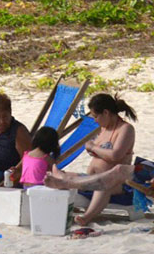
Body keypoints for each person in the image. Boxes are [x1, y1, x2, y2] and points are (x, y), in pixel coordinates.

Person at [58, 93, 137, 226]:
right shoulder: (103, 129)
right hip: (92, 177)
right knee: (61, 176)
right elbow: (101, 152)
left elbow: (115, 155)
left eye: (96, 116)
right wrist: (93, 149)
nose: (95, 120)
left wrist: (94, 148)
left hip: (116, 182)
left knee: (103, 185)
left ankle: (87, 217)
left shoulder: (125, 129)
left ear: (105, 112)